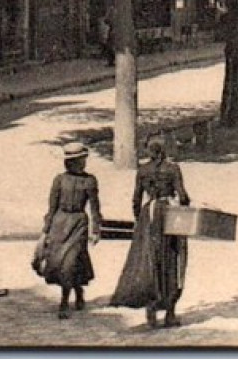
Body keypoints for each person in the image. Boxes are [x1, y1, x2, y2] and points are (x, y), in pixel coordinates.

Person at [111, 133, 192, 328]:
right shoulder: (173, 169)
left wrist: (141, 221)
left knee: (149, 260)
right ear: (164, 150)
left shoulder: (143, 170)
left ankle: (151, 310)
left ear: (149, 150)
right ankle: (170, 314)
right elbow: (183, 196)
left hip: (149, 215)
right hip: (168, 213)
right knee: (173, 259)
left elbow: (136, 199)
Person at [39, 142, 102, 319]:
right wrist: (46, 230)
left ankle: (64, 302)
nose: (80, 163)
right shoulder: (59, 180)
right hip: (60, 223)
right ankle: (78, 290)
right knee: (60, 262)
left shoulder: (90, 181)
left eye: (81, 160)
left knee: (70, 261)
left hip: (78, 224)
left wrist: (96, 229)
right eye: (75, 161)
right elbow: (51, 207)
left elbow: (95, 207)